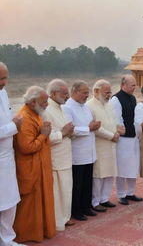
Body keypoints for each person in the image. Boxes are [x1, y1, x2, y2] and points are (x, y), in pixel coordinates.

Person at [13, 86, 56, 242]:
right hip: (29, 169)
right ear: (32, 102)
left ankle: (41, 230)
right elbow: (26, 147)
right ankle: (25, 235)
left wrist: (43, 134)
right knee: (29, 205)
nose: (46, 104)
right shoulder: (24, 117)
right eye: (44, 102)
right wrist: (43, 135)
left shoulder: (35, 113)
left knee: (41, 202)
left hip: (39, 167)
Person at [62, 80, 101, 220]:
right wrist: (89, 128)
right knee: (77, 184)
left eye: (87, 92)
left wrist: (93, 126)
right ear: (75, 92)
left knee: (87, 182)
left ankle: (86, 206)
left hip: (89, 150)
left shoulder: (85, 107)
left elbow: (89, 124)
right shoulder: (68, 107)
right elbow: (70, 129)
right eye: (84, 92)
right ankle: (76, 210)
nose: (87, 95)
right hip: (77, 152)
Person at [87, 79, 125, 210]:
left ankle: (104, 198)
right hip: (99, 145)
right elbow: (95, 127)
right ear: (96, 91)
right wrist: (112, 136)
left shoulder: (109, 104)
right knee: (98, 175)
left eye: (110, 92)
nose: (109, 95)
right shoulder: (89, 106)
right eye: (106, 92)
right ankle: (95, 201)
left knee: (109, 173)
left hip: (112, 144)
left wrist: (118, 130)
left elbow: (113, 121)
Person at [43, 79, 74, 231]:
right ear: (53, 93)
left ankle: (65, 218)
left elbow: (66, 129)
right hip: (56, 158)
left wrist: (69, 131)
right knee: (57, 193)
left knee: (66, 190)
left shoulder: (61, 107)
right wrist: (64, 133)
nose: (67, 96)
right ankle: (56, 222)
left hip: (66, 156)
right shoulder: (47, 110)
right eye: (64, 93)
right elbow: (46, 138)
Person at [0, 62, 25, 246]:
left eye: (6, 77)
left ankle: (7, 240)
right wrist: (13, 127)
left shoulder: (3, 92)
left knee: (10, 200)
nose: (4, 82)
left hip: (7, 156)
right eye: (1, 78)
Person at [111, 75, 143, 205]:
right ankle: (121, 194)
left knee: (133, 166)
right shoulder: (116, 99)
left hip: (133, 137)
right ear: (123, 85)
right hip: (123, 139)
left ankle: (130, 192)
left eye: (135, 85)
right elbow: (117, 119)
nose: (134, 87)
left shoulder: (133, 98)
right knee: (122, 167)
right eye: (132, 85)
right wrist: (122, 131)